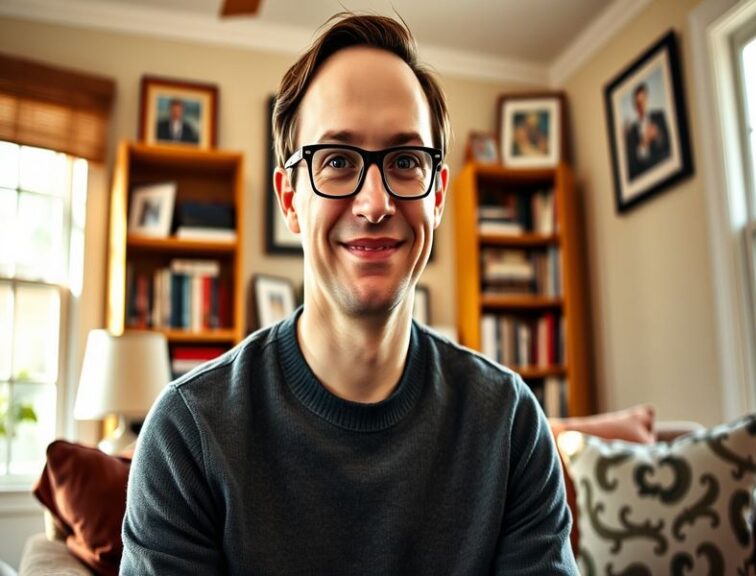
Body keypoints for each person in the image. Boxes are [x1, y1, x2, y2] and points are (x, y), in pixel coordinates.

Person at [121, 13, 577, 575]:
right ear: (289, 198)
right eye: (337, 161)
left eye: (406, 162)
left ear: (436, 194)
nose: (374, 203)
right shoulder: (187, 434)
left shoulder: (511, 426)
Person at [625, 82, 670, 180]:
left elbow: (669, 145)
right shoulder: (631, 132)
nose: (641, 106)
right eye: (638, 103)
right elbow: (632, 166)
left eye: (643, 101)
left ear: (647, 99)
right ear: (634, 106)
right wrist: (644, 143)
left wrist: (657, 136)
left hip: (664, 171)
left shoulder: (660, 116)